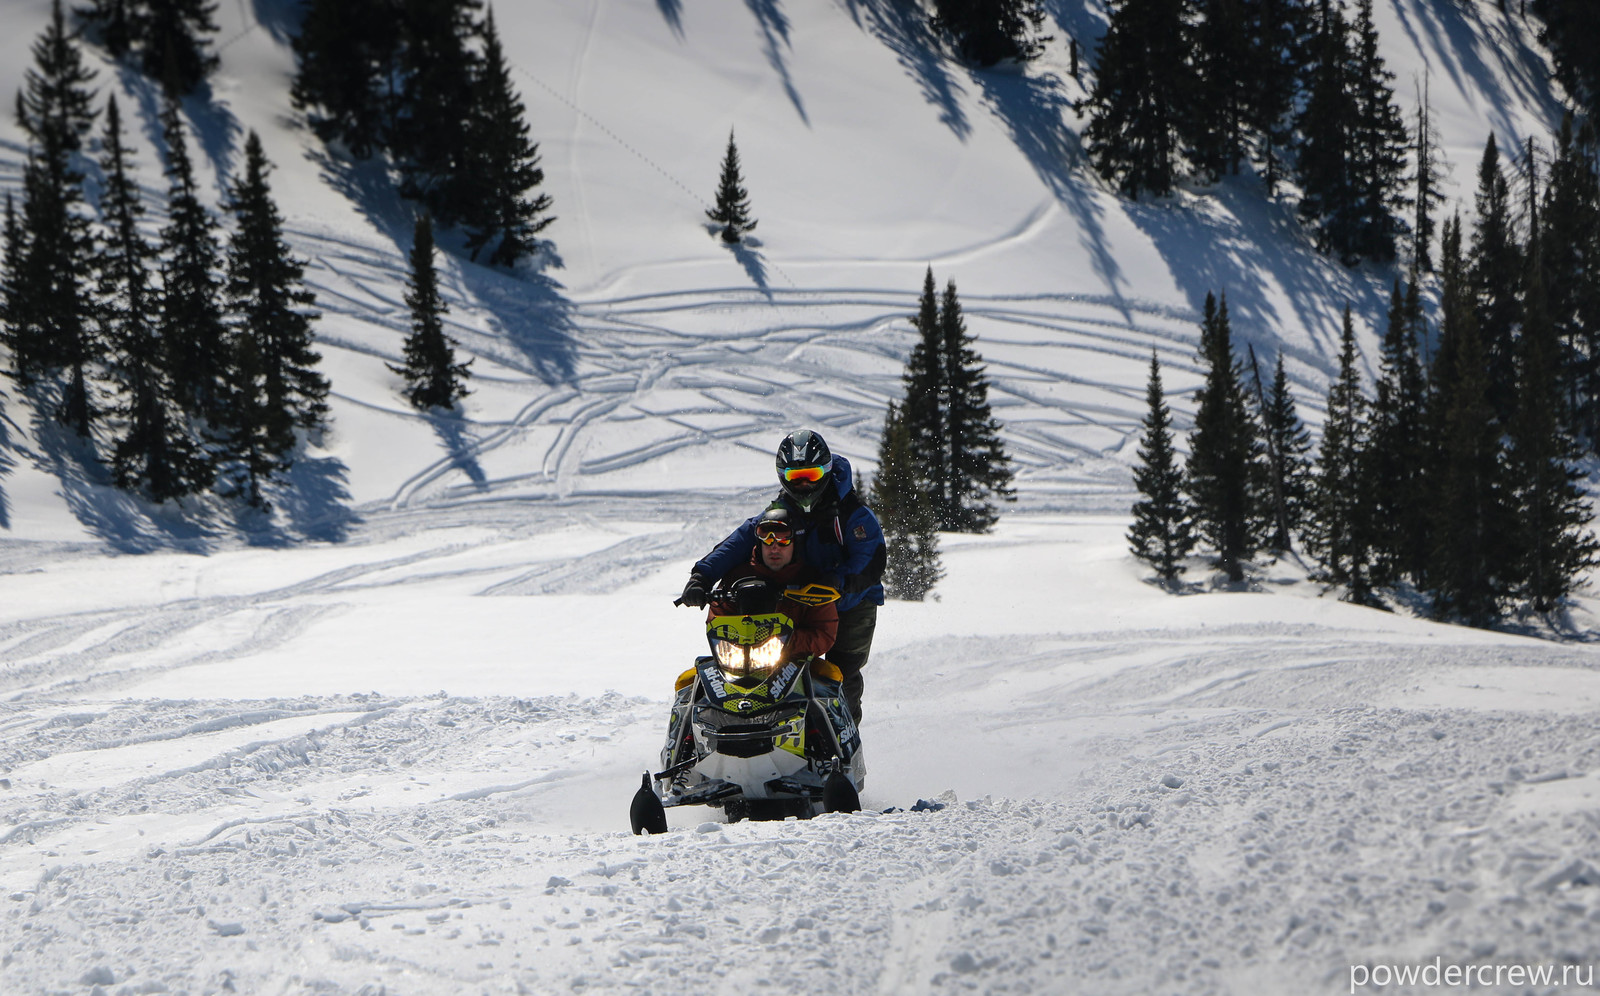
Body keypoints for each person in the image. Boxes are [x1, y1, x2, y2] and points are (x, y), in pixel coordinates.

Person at [681, 429, 885, 722]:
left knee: (843, 674)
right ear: (782, 477)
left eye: (811, 476)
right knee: (778, 661)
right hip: (800, 595)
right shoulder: (782, 511)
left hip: (852, 601)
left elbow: (871, 558)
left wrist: (840, 581)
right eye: (794, 477)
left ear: (826, 473)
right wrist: (702, 575)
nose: (803, 485)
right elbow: (741, 541)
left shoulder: (852, 514)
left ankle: (844, 740)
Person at [704, 507, 838, 662]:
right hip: (738, 660)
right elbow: (717, 622)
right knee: (690, 680)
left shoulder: (810, 580)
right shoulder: (737, 577)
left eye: (783, 541)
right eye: (767, 540)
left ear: (795, 543)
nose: (774, 547)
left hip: (795, 661)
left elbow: (824, 634)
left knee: (830, 676)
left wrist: (781, 643)